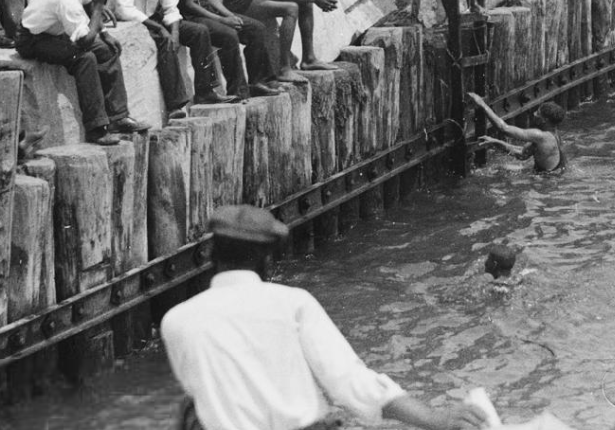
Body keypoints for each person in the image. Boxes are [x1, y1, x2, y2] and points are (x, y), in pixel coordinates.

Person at [162, 204, 486, 430]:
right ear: (266, 260)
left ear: (211, 255)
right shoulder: (293, 303)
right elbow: (350, 383)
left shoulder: (176, 321)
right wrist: (436, 419)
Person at [18, 0, 147, 146]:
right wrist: (98, 6)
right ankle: (96, 129)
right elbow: (84, 41)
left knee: (107, 51)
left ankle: (118, 118)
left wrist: (104, 33)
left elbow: (86, 4)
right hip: (32, 39)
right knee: (85, 59)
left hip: (55, 33)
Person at [112, 0, 229, 110]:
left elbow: (171, 7)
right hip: (130, 22)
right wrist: (162, 30)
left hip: (151, 18)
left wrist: (174, 32)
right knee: (164, 43)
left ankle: (205, 92)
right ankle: (175, 105)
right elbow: (125, 10)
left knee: (199, 31)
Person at [466, 93, 566, 174]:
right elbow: (522, 154)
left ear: (545, 120)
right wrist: (495, 142)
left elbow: (504, 128)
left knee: (498, 171)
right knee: (502, 168)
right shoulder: (554, 135)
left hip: (545, 182)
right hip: (550, 177)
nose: (534, 113)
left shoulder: (541, 136)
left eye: (538, 113)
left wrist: (482, 104)